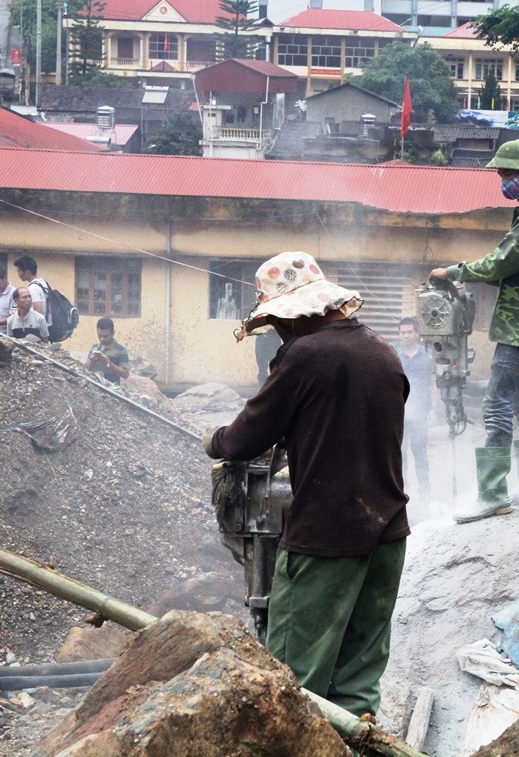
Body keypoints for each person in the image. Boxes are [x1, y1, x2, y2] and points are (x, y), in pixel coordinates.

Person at [203, 252, 409, 718]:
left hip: (325, 540)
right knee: (357, 687)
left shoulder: (306, 355)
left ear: (297, 314)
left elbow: (247, 435)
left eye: (277, 321)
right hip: (388, 536)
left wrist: (214, 441)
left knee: (291, 687)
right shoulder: (383, 351)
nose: (277, 331)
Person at [429, 139, 519, 523]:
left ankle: (493, 493)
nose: (503, 181)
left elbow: (503, 263)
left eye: (507, 174)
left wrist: (453, 272)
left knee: (496, 406)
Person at [396, 317, 432, 504]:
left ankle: (425, 493)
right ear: (399, 335)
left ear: (417, 334)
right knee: (399, 455)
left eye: (410, 332)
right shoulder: (394, 357)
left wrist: (432, 410)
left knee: (421, 454)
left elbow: (432, 384)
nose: (406, 335)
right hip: (399, 415)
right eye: (403, 332)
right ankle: (403, 492)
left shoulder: (428, 357)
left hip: (420, 415)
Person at [87, 317, 130, 385]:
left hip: (111, 391)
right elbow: (86, 370)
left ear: (113, 333)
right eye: (99, 335)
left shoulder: (121, 350)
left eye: (105, 336)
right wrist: (92, 362)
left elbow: (125, 374)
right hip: (94, 389)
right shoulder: (94, 348)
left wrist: (109, 363)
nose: (102, 339)